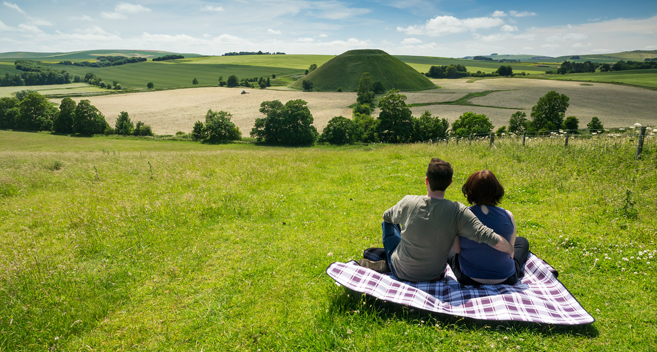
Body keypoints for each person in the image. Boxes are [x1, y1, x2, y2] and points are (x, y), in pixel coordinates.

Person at [359, 158, 515, 282]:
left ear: (426, 180)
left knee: (389, 223)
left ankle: (388, 258)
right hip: (435, 275)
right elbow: (487, 236)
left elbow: (386, 216)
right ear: (450, 183)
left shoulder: (408, 202)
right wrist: (510, 249)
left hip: (401, 271)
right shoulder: (458, 211)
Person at [447, 170, 530, 285]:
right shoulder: (508, 216)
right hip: (506, 278)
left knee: (448, 246)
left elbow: (457, 250)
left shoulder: (461, 216)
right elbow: (510, 250)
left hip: (468, 277)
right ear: (497, 190)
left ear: (469, 191)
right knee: (522, 242)